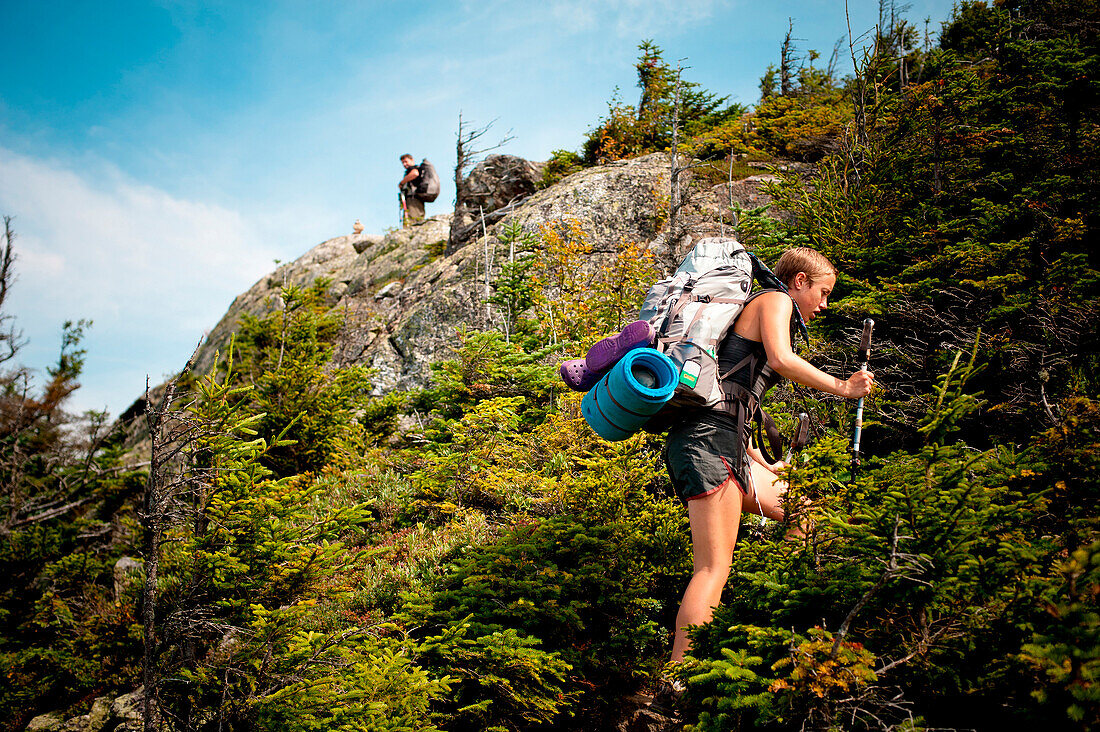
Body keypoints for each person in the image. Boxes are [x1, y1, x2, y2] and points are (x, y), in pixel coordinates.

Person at [655, 246, 876, 704]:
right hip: (706, 445)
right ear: (798, 282)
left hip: (723, 443)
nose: (824, 304)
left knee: (806, 510)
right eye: (823, 292)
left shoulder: (766, 308)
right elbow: (780, 359)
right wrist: (843, 387)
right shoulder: (774, 302)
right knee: (713, 567)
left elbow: (732, 399)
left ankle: (775, 617)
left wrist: (758, 460)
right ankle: (676, 681)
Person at [399, 154, 426, 225]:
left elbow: (414, 173)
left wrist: (402, 183)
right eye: (403, 163)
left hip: (413, 198)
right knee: (418, 217)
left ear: (412, 160)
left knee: (412, 220)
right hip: (417, 198)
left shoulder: (412, 168)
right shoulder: (418, 168)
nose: (404, 164)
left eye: (406, 161)